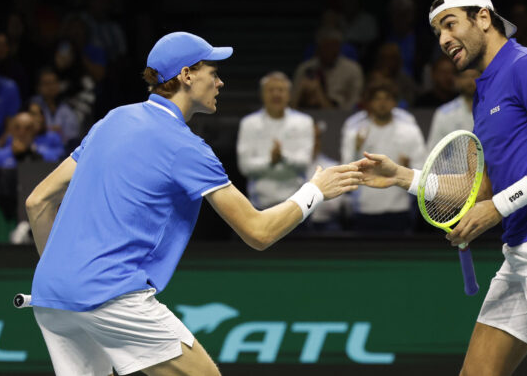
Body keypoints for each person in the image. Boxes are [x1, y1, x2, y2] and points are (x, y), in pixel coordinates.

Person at [25, 32, 361, 376]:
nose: (220, 82)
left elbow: (38, 201)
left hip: (51, 294)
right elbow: (259, 232)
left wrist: (65, 275)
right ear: (186, 75)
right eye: (213, 73)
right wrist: (315, 191)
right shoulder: (187, 148)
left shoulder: (112, 120)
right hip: (110, 292)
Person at [357, 0, 527, 375]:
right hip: (522, 250)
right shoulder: (485, 92)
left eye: (450, 23)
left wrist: (498, 208)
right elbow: (484, 187)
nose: (442, 38)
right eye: (437, 30)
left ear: (484, 18)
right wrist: (402, 177)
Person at [341, 78, 425, 232]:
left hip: (399, 208)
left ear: (394, 102)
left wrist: (408, 167)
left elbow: (422, 167)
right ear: (369, 103)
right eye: (377, 99)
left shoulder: (409, 131)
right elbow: (346, 167)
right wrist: (356, 148)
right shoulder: (356, 131)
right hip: (365, 208)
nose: (382, 103)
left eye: (387, 98)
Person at [237, 71, 314, 209]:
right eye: (271, 90)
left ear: (289, 95)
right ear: (262, 94)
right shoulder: (248, 123)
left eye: (281, 90)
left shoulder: (304, 122)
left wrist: (282, 157)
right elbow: (245, 166)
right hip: (260, 203)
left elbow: (305, 162)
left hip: (297, 204)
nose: (276, 94)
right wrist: (270, 161)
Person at [291, 27, 364, 110]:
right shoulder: (305, 68)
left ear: (339, 47)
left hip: (342, 115)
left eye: (333, 46)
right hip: (306, 114)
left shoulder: (353, 69)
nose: (329, 50)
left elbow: (355, 101)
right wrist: (302, 88)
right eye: (326, 46)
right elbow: (292, 103)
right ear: (318, 47)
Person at [426, 69, 478, 151]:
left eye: (474, 76)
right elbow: (433, 150)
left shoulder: (493, 109)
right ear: (457, 80)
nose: (469, 81)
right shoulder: (444, 113)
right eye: (465, 77)